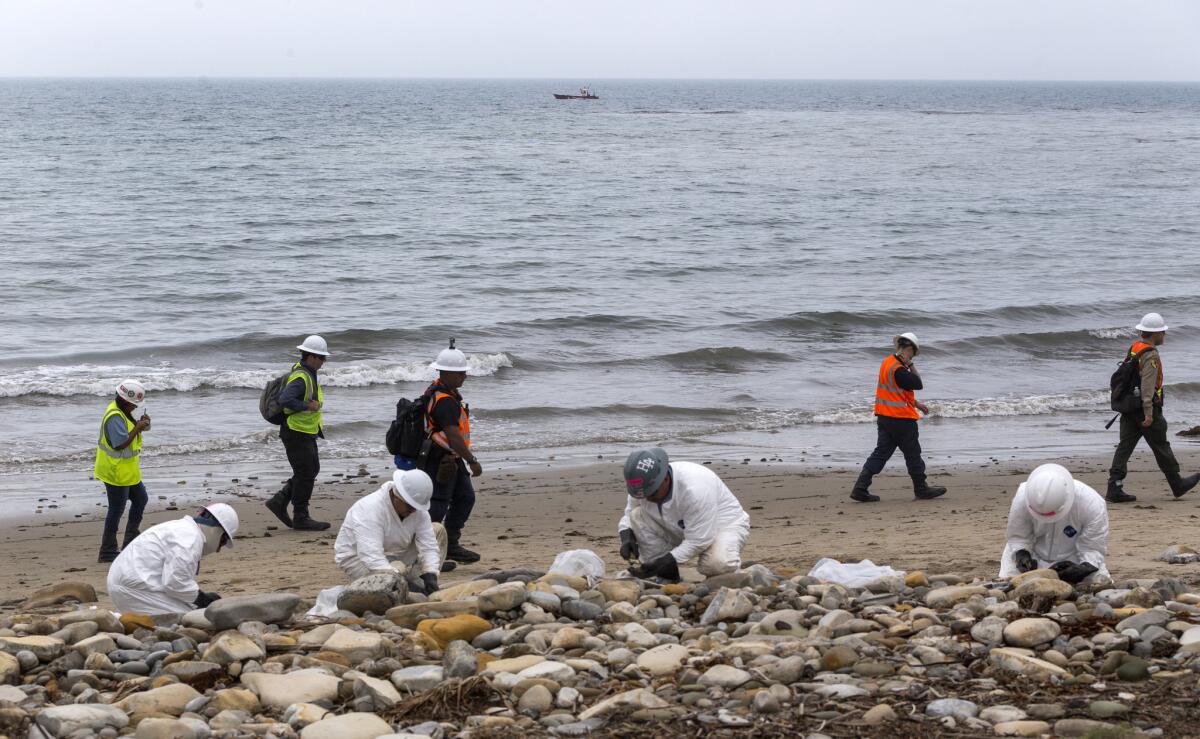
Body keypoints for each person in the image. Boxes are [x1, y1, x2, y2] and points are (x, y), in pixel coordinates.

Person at [618, 448, 750, 582]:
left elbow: (698, 540)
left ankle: (737, 568)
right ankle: (666, 574)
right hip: (679, 525)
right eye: (643, 495)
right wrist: (626, 536)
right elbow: (630, 513)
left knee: (717, 565)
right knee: (637, 515)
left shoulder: (695, 489)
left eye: (652, 493)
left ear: (665, 479)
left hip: (723, 526)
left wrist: (670, 559)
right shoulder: (642, 486)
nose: (648, 498)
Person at [1106, 313, 1199, 503]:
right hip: (1145, 410)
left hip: (1129, 408)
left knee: (1124, 447)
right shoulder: (1151, 355)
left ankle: (1114, 486)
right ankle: (1177, 484)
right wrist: (1148, 414)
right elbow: (1148, 387)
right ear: (1155, 334)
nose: (1164, 336)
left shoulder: (1135, 348)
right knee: (1161, 446)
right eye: (1162, 333)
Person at [851, 333, 947, 502]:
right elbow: (918, 383)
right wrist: (910, 364)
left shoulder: (887, 362)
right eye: (913, 354)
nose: (913, 357)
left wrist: (916, 404)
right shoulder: (899, 369)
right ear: (910, 349)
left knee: (880, 453)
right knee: (913, 454)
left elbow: (895, 391)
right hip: (901, 420)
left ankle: (860, 487)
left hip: (884, 417)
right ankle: (921, 489)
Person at [107, 503, 238, 615]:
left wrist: (198, 597)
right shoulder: (190, 539)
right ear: (218, 532)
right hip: (135, 588)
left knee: (190, 611)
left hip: (128, 583)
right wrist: (203, 599)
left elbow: (174, 584)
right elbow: (175, 584)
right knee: (188, 619)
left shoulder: (182, 528)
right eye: (222, 542)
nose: (218, 549)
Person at [334, 469, 446, 595]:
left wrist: (430, 573)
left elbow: (429, 545)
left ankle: (420, 582)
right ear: (396, 495)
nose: (413, 511)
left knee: (438, 530)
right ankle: (407, 585)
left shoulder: (417, 509)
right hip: (358, 559)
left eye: (416, 507)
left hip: (396, 552)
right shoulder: (370, 509)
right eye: (410, 506)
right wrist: (402, 584)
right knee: (392, 586)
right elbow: (372, 557)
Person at [423, 341, 483, 565]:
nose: (464, 377)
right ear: (446, 373)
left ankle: (451, 545)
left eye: (464, 373)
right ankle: (429, 553)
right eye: (459, 373)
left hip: (450, 458)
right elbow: (453, 435)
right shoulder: (444, 401)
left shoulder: (443, 393)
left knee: (465, 498)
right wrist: (472, 460)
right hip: (441, 460)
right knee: (438, 506)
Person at [999, 463, 1109, 585]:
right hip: (1034, 555)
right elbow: (1018, 536)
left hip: (1074, 559)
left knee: (1100, 582)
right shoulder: (1022, 497)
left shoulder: (1092, 504)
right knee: (1009, 584)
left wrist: (1084, 567)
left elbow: (1092, 548)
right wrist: (1021, 554)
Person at [266, 335, 331, 531]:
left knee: (310, 470)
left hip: (304, 432)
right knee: (306, 473)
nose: (324, 362)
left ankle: (280, 500)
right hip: (295, 432)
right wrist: (306, 406)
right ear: (311, 357)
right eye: (322, 357)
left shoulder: (306, 372)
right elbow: (286, 400)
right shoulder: (302, 377)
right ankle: (301, 517)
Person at [94, 380, 151, 563]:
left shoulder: (123, 411)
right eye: (134, 404)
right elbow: (120, 444)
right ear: (126, 401)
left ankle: (130, 542)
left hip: (128, 471)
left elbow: (131, 430)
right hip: (115, 471)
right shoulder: (114, 416)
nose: (135, 407)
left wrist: (142, 424)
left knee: (141, 499)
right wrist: (138, 428)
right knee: (116, 509)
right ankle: (107, 551)